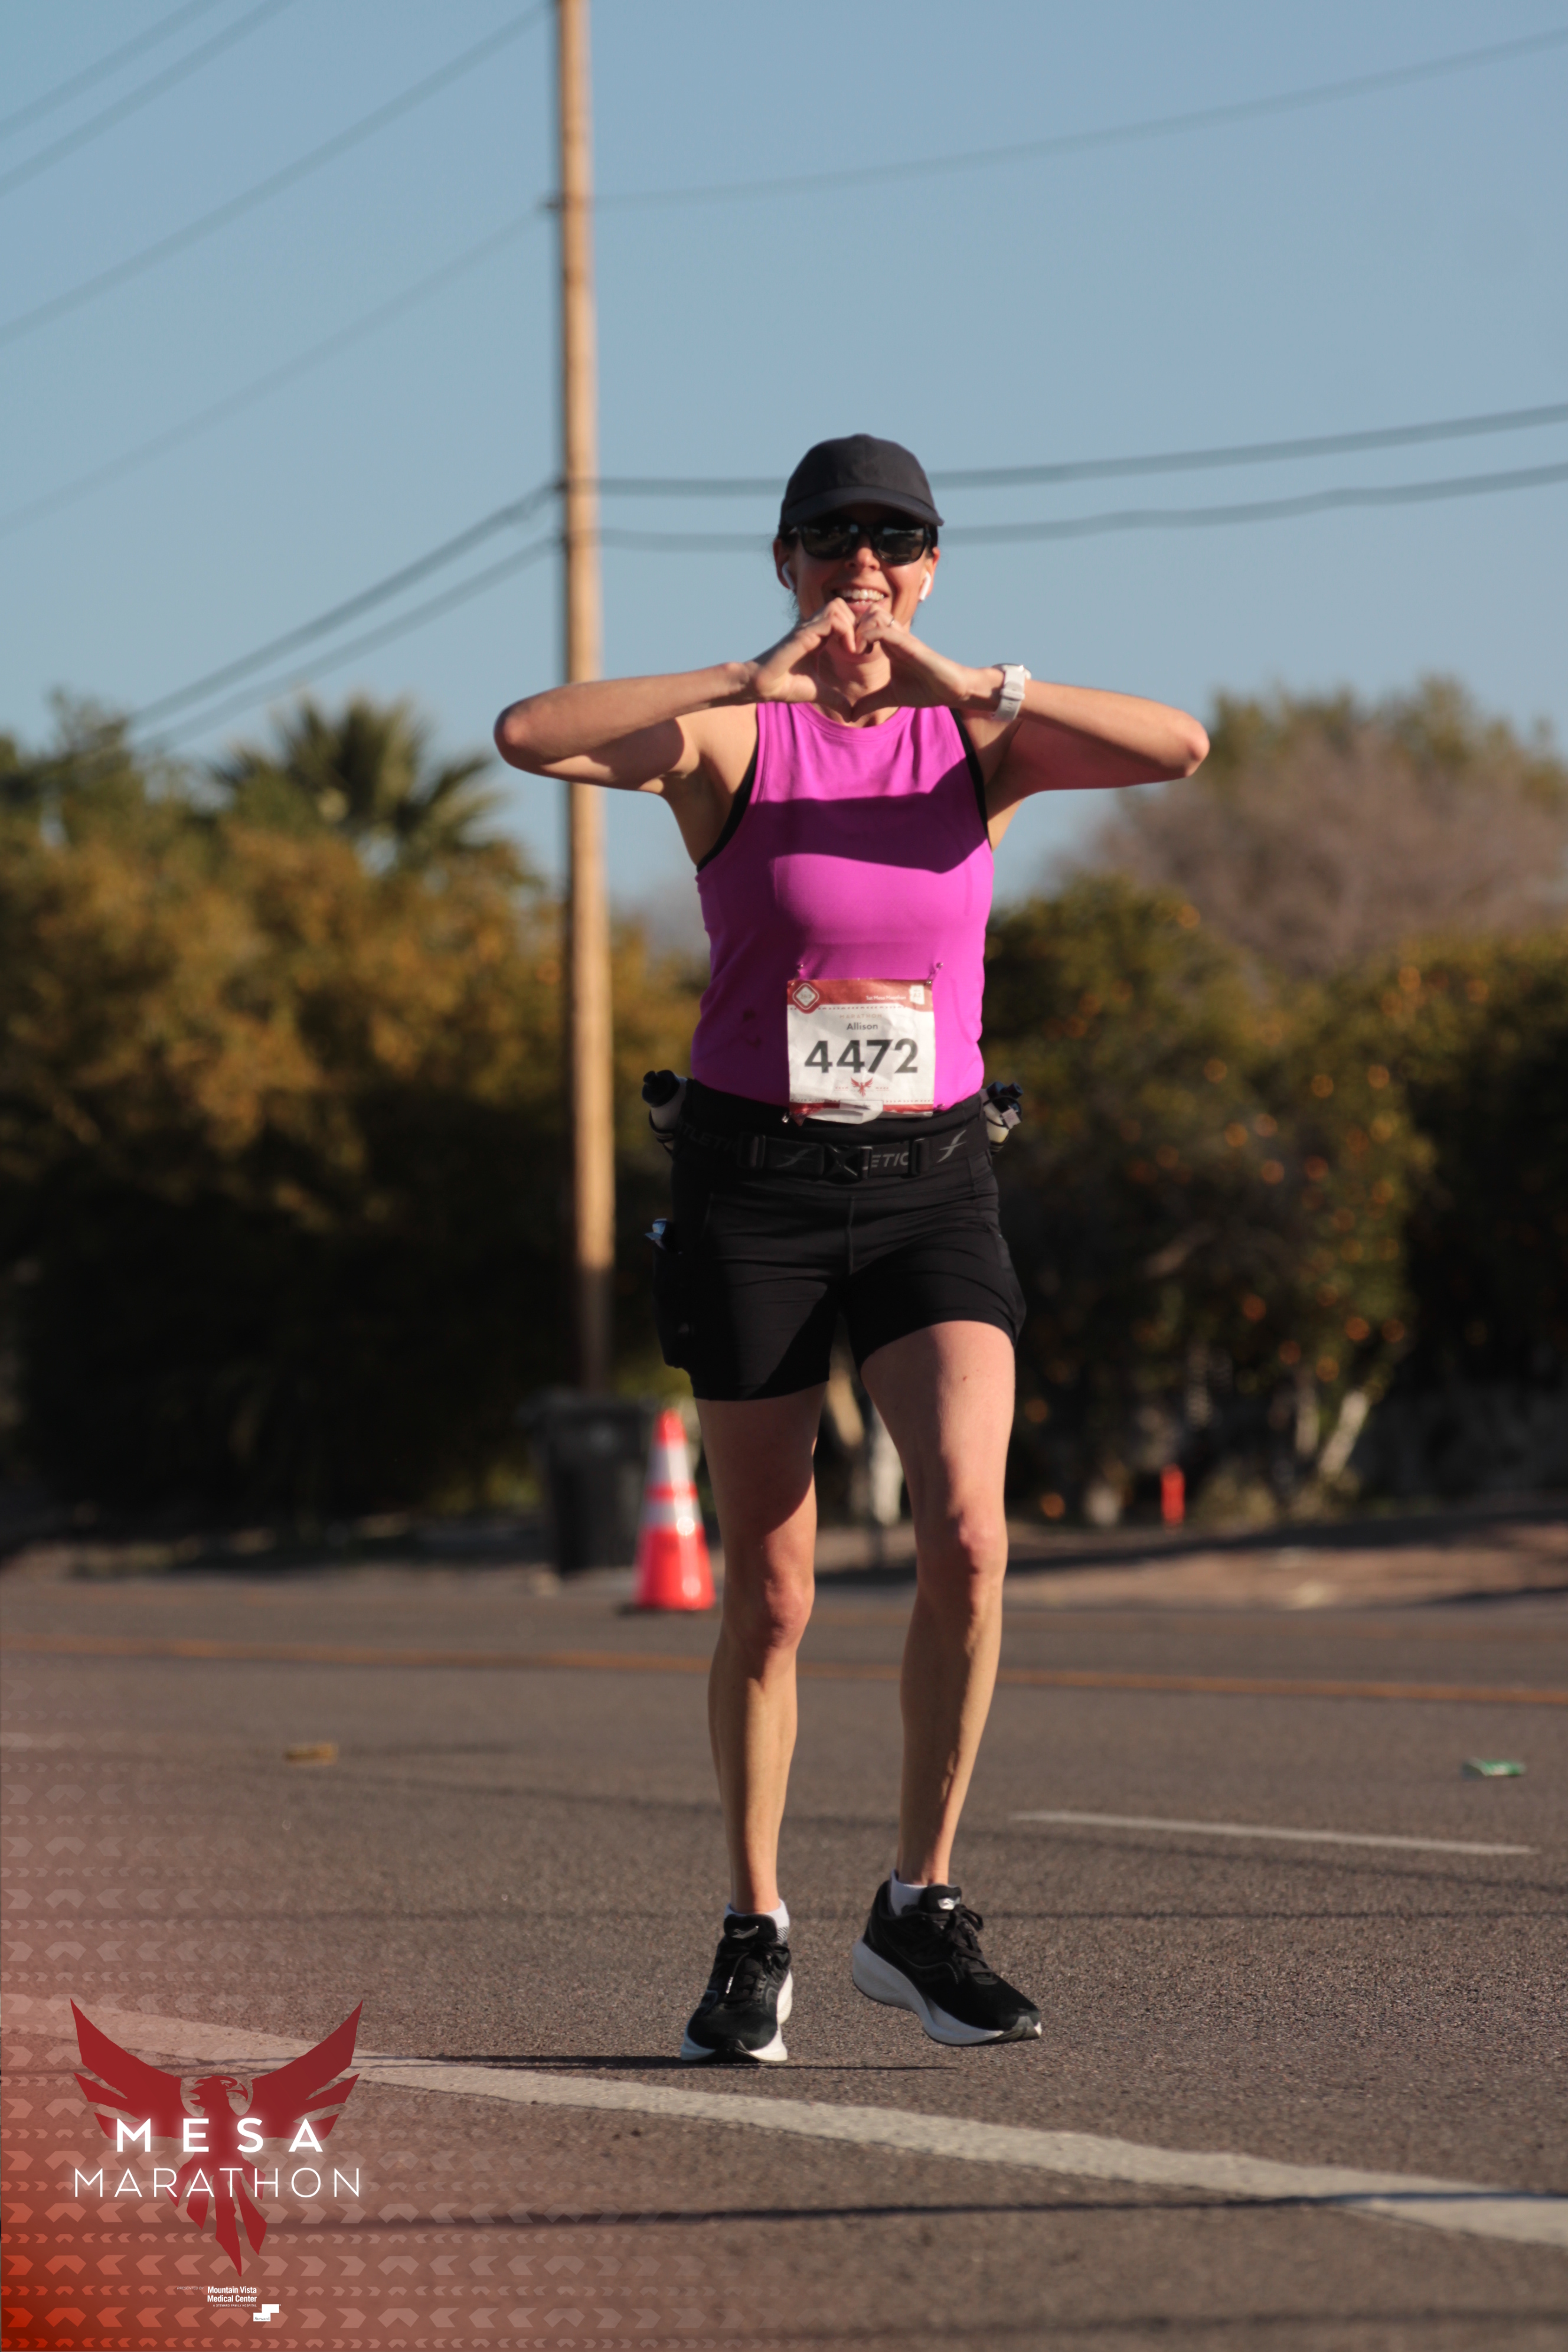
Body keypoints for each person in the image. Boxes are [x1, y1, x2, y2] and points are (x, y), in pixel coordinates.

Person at [495, 433, 1208, 2063]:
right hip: (755, 1193)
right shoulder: (731, 743)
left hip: (931, 1186)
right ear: (788, 563)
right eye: (830, 540)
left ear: (930, 569)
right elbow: (529, 733)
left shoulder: (978, 745)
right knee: (771, 1590)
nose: (861, 566)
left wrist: (971, 686)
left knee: (970, 1533)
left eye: (893, 541)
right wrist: (748, 677)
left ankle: (918, 1905)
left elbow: (1180, 746)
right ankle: (755, 1930)